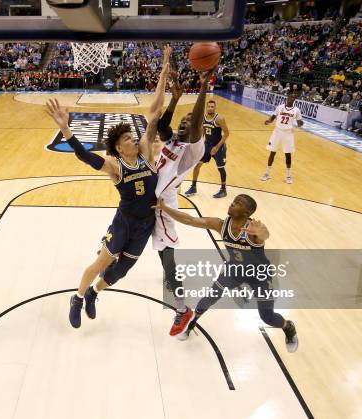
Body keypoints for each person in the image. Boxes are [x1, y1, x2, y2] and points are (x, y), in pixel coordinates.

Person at [45, 48, 171, 328]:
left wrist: (163, 72)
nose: (134, 139)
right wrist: (67, 130)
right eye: (128, 138)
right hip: (124, 222)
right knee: (102, 262)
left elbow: (155, 112)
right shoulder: (115, 167)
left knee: (120, 273)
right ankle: (77, 298)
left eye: (132, 136)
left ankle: (93, 293)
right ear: (118, 146)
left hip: (146, 223)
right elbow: (86, 157)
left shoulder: (147, 154)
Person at [155, 196, 298, 352]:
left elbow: (264, 235)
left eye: (238, 204)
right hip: (234, 270)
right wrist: (165, 208)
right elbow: (190, 220)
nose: (233, 203)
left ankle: (288, 327)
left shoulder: (253, 231)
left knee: (267, 317)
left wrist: (262, 232)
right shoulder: (220, 224)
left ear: (247, 212)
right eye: (234, 201)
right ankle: (191, 324)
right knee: (208, 299)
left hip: (259, 275)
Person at [151, 70, 212, 335]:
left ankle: (181, 307)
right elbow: (164, 128)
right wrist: (175, 101)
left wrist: (202, 88)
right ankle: (111, 247)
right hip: (153, 198)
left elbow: (197, 122)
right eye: (183, 120)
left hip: (164, 205)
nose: (185, 123)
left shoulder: (194, 148)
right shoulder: (175, 139)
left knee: (168, 259)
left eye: (190, 121)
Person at [184, 99, 230, 198]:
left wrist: (217, 147)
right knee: (197, 165)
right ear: (206, 107)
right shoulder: (203, 118)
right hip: (207, 145)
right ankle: (193, 186)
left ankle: (223, 189)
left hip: (218, 146)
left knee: (221, 168)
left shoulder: (220, 119)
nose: (210, 108)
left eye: (212, 107)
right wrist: (202, 143)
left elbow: (226, 134)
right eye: (209, 106)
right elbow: (204, 131)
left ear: (215, 108)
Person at [260, 95, 303, 184]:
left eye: (293, 98)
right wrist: (269, 121)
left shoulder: (296, 110)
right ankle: (267, 174)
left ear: (294, 99)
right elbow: (273, 116)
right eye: (290, 97)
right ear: (287, 98)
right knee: (272, 152)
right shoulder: (280, 107)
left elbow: (299, 122)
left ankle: (288, 176)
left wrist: (301, 123)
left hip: (288, 133)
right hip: (277, 132)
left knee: (288, 154)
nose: (291, 99)